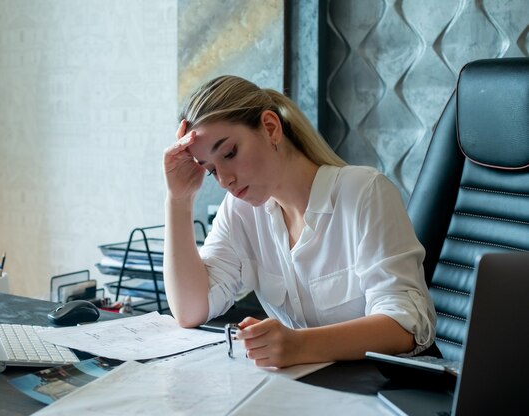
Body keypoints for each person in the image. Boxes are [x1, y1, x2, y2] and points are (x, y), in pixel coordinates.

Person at [162, 75, 436, 368]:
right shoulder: (240, 211)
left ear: (270, 127)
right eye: (211, 170)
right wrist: (179, 199)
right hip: (304, 392)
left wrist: (299, 345)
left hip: (382, 392)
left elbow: (406, 326)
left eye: (229, 153)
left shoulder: (364, 192)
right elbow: (191, 311)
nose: (225, 179)